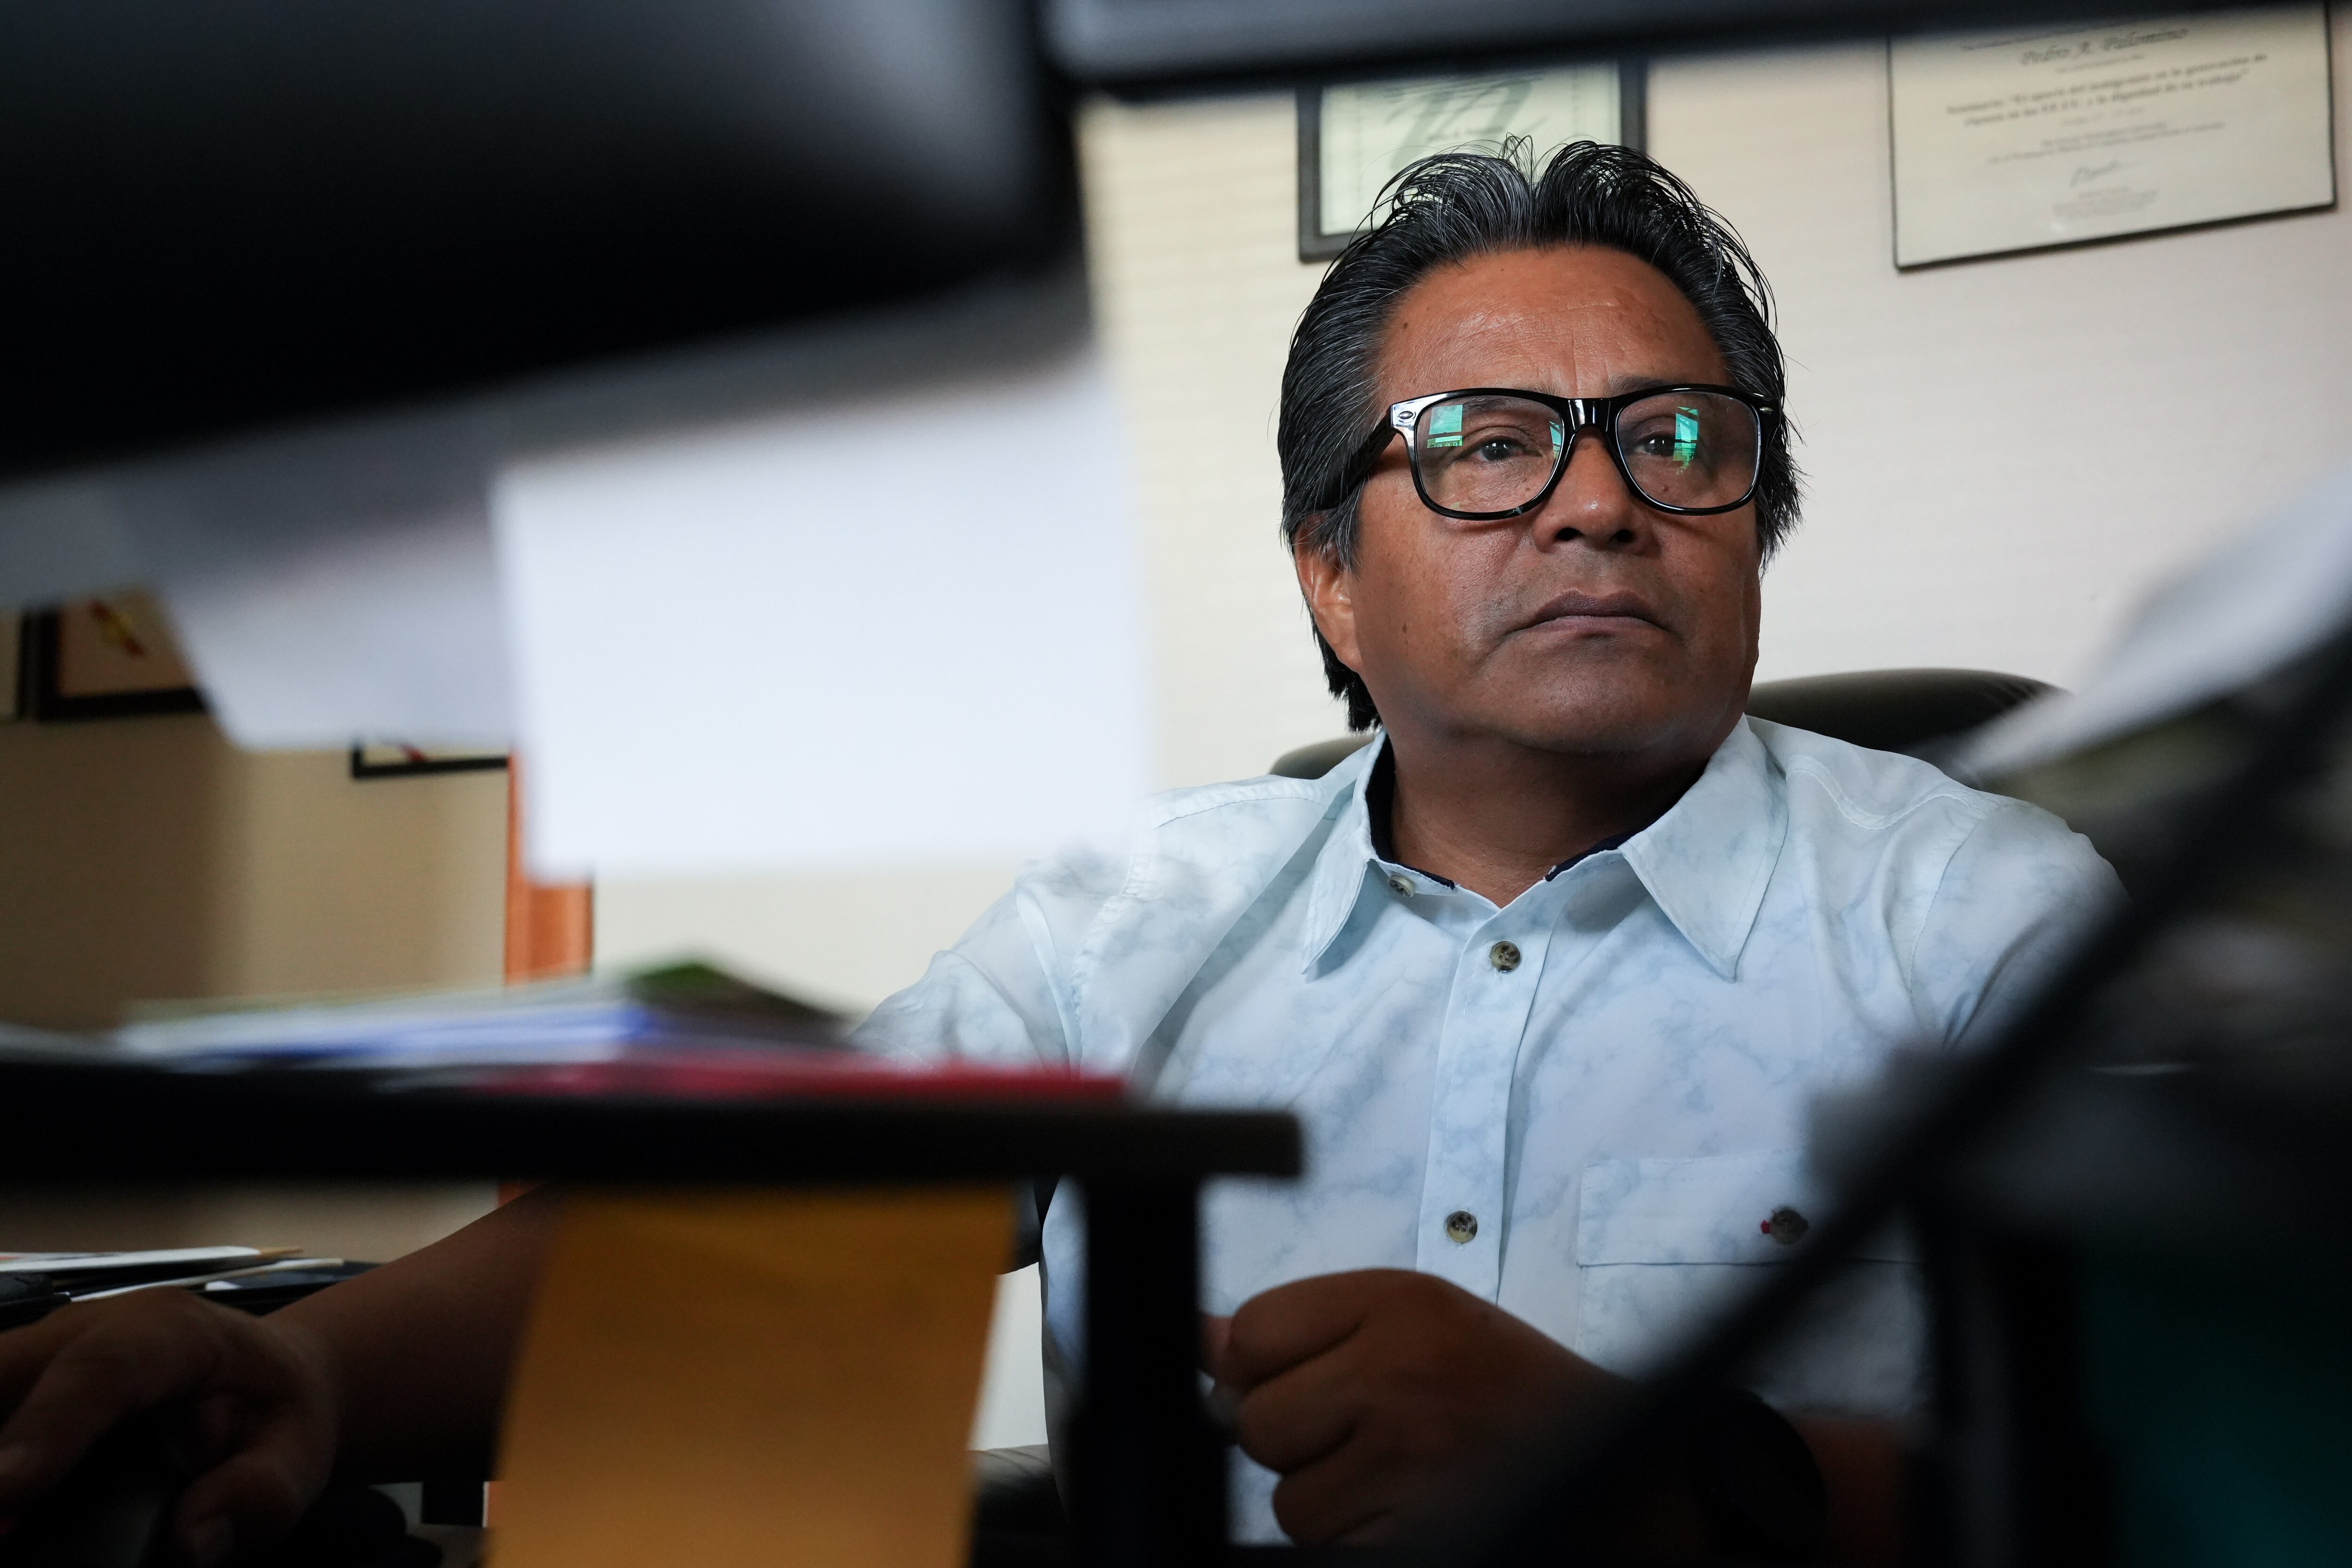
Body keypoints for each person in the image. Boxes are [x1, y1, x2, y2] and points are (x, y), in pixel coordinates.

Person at [0, 144, 2115, 1564]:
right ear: (1329, 585)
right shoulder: (1139, 921)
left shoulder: (1983, 920)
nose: (1594, 503)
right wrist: (297, 1362)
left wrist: (1682, 1484)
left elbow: (2193, 1480)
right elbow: (772, 1245)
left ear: (1748, 527)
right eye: (1482, 445)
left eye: (1677, 440)